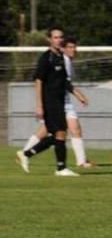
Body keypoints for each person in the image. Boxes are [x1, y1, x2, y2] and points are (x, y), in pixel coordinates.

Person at [15, 27, 81, 176]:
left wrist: (77, 93)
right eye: (56, 37)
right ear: (50, 40)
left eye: (61, 37)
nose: (59, 40)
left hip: (59, 102)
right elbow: (38, 81)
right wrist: (39, 105)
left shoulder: (60, 57)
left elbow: (64, 81)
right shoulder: (46, 58)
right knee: (60, 133)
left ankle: (27, 154)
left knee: (58, 135)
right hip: (49, 101)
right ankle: (60, 168)